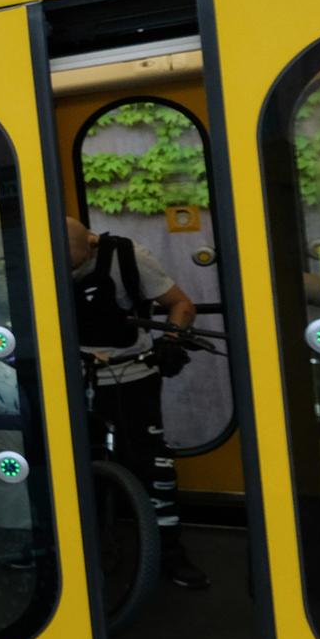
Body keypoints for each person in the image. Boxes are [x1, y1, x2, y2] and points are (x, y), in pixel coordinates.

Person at [65, 217, 208, 590]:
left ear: (90, 244)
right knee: (70, 466)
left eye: (74, 261)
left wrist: (172, 341)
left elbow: (180, 304)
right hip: (69, 380)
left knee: (151, 465)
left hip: (132, 374)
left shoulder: (130, 257)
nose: (68, 269)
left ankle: (169, 555)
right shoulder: (43, 260)